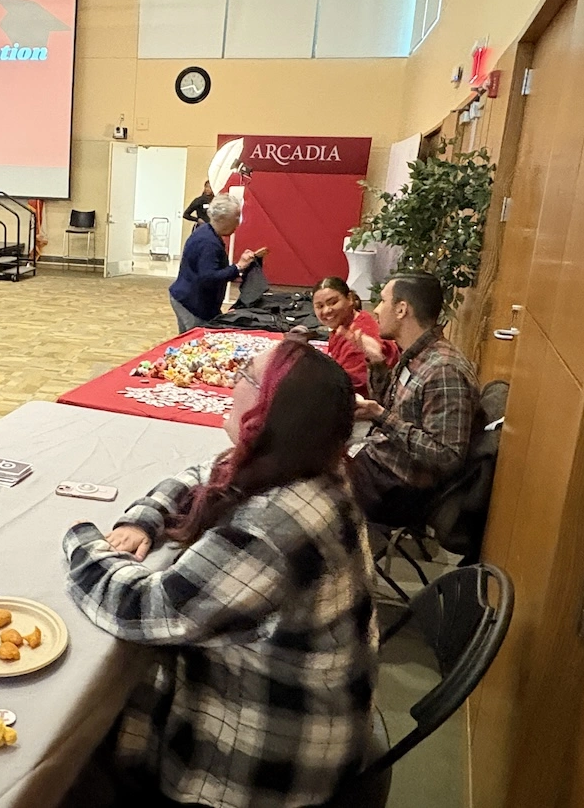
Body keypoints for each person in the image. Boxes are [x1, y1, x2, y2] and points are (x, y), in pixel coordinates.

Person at [63, 340, 378, 808]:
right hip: (314, 721)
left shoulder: (271, 529)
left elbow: (144, 608)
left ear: (277, 411)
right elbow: (207, 473)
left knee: (78, 753)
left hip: (264, 767)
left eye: (248, 377)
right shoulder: (317, 468)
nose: (233, 383)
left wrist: (79, 540)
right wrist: (143, 517)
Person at [347, 272, 481, 525]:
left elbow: (447, 456)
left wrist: (381, 416)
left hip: (399, 490)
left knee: (309, 486)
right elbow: (391, 407)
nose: (375, 310)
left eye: (382, 301)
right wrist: (377, 365)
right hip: (381, 464)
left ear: (401, 309)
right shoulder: (416, 354)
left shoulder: (443, 370)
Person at [167, 194, 254, 333]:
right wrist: (238, 267)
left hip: (189, 298)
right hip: (191, 303)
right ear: (222, 219)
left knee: (189, 343)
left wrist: (238, 269)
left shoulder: (207, 231)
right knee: (197, 344)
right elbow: (209, 277)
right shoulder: (208, 242)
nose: (238, 223)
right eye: (236, 218)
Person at [312, 276, 399, 397]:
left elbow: (348, 390)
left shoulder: (358, 339)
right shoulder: (349, 322)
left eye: (333, 302)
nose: (326, 310)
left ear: (350, 299)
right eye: (320, 306)